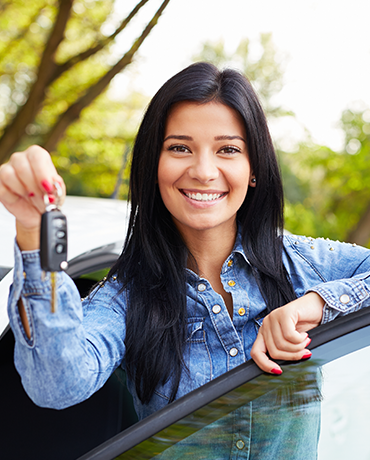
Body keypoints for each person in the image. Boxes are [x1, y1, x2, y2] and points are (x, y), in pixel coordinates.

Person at [1, 62, 370, 455]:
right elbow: (57, 384)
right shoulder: (126, 296)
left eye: (227, 149)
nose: (203, 171)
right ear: (153, 165)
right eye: (180, 148)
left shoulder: (301, 264)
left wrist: (315, 305)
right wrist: (32, 231)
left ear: (254, 169)